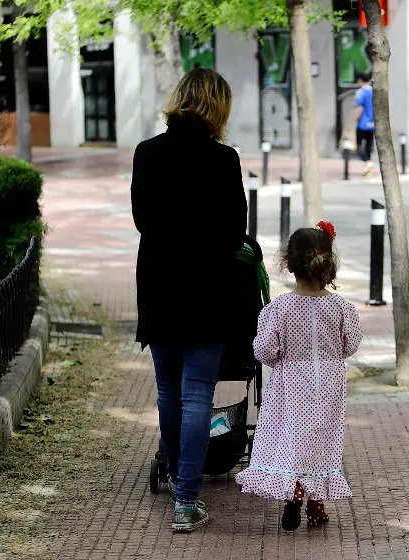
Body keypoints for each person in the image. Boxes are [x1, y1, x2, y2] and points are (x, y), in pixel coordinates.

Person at [131, 68, 246, 534]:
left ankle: (179, 475)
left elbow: (143, 220)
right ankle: (186, 501)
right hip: (208, 292)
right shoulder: (224, 160)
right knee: (199, 394)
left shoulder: (147, 153)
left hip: (160, 288)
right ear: (218, 107)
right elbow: (235, 231)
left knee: (167, 393)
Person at [235, 221, 363, 533]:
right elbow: (352, 343)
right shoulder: (342, 307)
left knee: (292, 437)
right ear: (327, 263)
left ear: (290, 265)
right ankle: (316, 502)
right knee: (322, 439)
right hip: (330, 384)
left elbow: (265, 350)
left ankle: (293, 491)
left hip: (290, 384)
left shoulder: (279, 308)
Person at [351, 72, 375, 176]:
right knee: (368, 147)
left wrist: (354, 120)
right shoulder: (373, 91)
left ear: (360, 80)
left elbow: (359, 107)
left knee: (358, 146)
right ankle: (367, 171)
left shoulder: (361, 92)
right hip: (372, 123)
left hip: (362, 123)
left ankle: (367, 162)